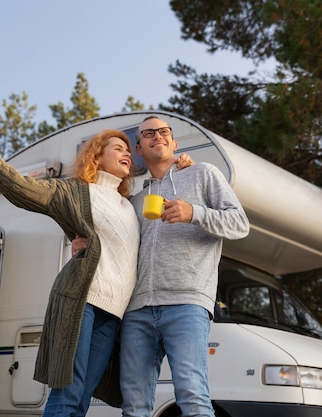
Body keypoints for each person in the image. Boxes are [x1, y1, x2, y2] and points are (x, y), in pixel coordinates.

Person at [0, 124, 192, 417]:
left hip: (113, 314)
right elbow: (21, 189)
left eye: (128, 151)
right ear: (96, 156)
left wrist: (182, 168)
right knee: (68, 392)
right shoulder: (76, 192)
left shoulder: (130, 205)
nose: (126, 154)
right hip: (83, 301)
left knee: (82, 397)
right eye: (117, 149)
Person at [73, 115, 250, 417]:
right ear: (139, 149)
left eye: (164, 131)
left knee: (193, 398)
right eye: (148, 133)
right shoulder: (135, 200)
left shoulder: (202, 174)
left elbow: (239, 224)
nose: (157, 136)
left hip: (187, 303)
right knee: (135, 407)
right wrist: (88, 244)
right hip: (137, 312)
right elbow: (120, 246)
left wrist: (194, 211)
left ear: (173, 142)